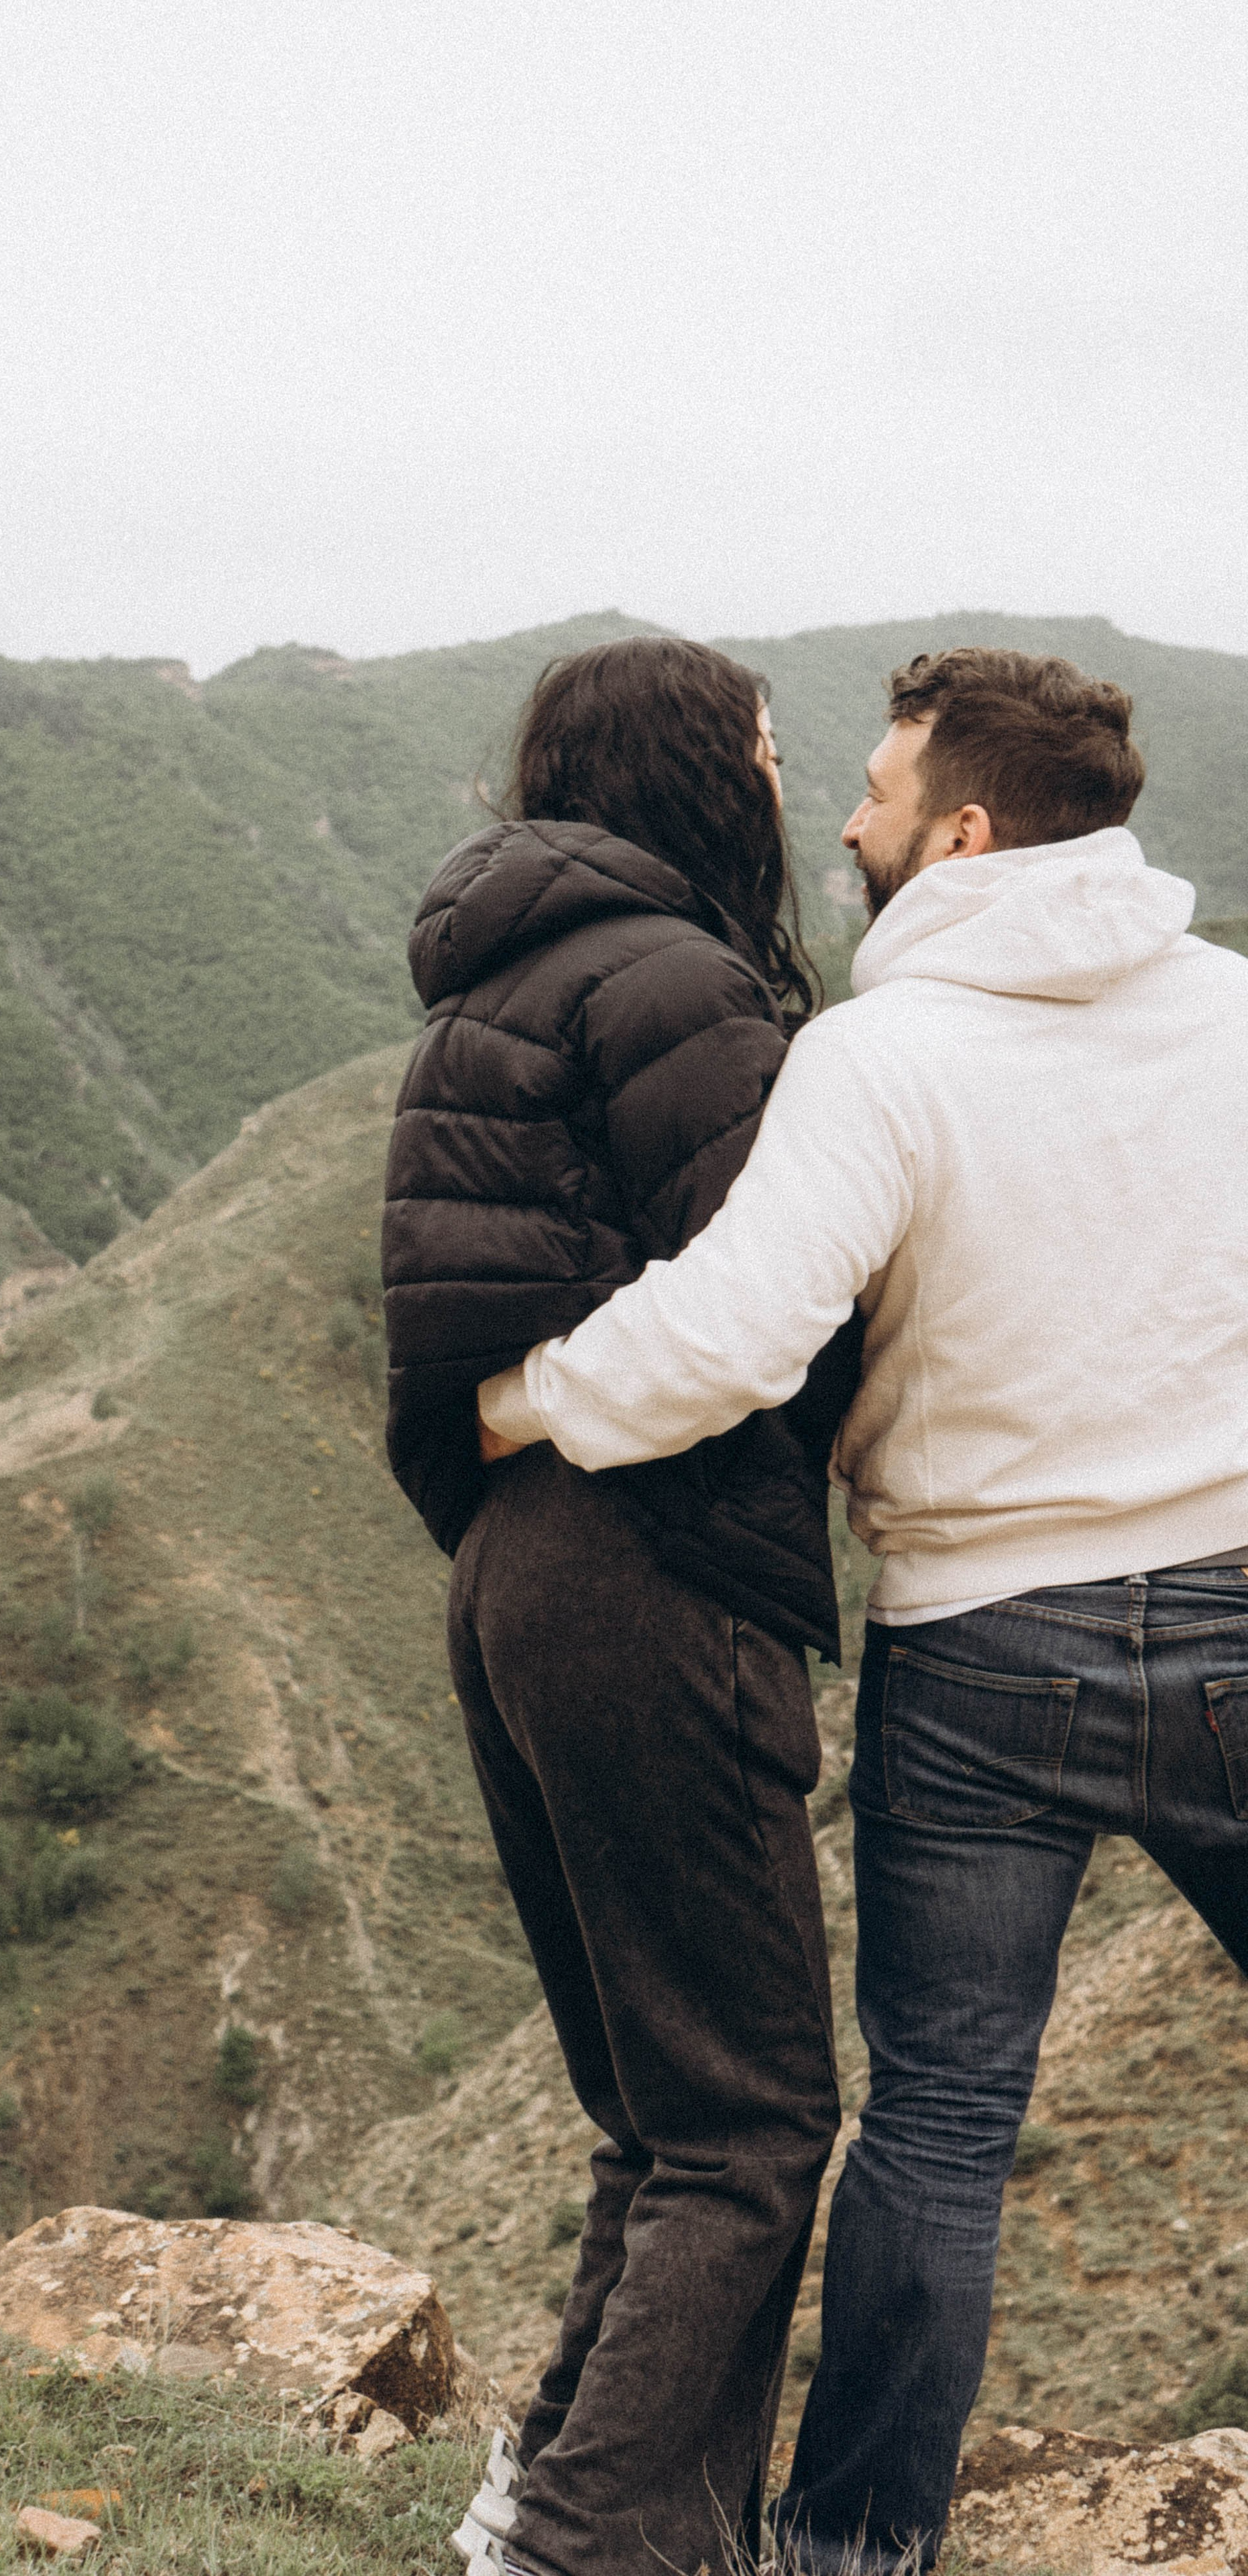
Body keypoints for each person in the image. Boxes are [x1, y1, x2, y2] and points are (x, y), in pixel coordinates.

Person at [475, 646, 1248, 2573]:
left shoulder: (882, 1060)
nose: (843, 813)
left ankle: (851, 2551)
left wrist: (517, 1394)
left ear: (964, 833)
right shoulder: (1234, 1011)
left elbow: (726, 1344)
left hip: (985, 1648)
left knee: (943, 2124)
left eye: (882, 786)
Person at [382, 636, 862, 2576]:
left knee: (659, 2121)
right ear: (696, 768)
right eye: (758, 743)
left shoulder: (498, 983)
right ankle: (592, 2542)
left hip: (514, 1558)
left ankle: (544, 2507)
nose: (779, 772)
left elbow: (445, 1336)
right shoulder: (677, 985)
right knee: (751, 2125)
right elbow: (779, 1304)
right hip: (653, 1563)